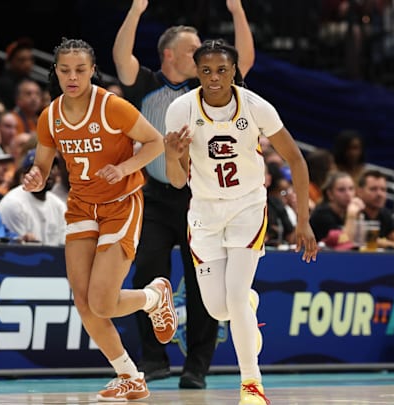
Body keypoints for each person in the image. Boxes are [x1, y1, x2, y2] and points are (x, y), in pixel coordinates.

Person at [164, 39, 318, 405]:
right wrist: (173, 154)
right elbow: (175, 180)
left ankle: (252, 385)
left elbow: (296, 161)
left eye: (221, 70)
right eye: (206, 71)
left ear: (234, 71)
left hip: (247, 207)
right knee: (221, 309)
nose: (214, 77)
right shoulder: (180, 110)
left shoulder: (256, 107)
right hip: (203, 211)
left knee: (232, 297)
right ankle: (247, 304)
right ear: (196, 72)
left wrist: (305, 221)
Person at [22, 38, 175, 402]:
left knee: (103, 302)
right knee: (83, 301)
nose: (72, 76)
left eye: (79, 69)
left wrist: (122, 168)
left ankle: (154, 297)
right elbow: (43, 165)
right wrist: (35, 177)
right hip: (81, 207)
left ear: (92, 71)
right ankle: (129, 375)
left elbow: (155, 143)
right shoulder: (51, 116)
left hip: (121, 203)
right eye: (64, 70)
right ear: (55, 72)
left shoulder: (112, 107)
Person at [112, 0, 255, 389]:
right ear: (170, 54)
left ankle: (197, 367)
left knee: (202, 284)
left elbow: (243, 63)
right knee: (147, 274)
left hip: (200, 200)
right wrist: (138, 10)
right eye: (194, 50)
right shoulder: (144, 83)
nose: (203, 56)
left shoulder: (205, 88)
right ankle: (153, 358)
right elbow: (120, 56)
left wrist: (238, 11)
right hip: (154, 198)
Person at [0, 150, 66, 246]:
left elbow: (63, 246)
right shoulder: (13, 203)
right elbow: (15, 251)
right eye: (42, 168)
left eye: (52, 167)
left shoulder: (59, 205)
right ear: (26, 174)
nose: (48, 172)